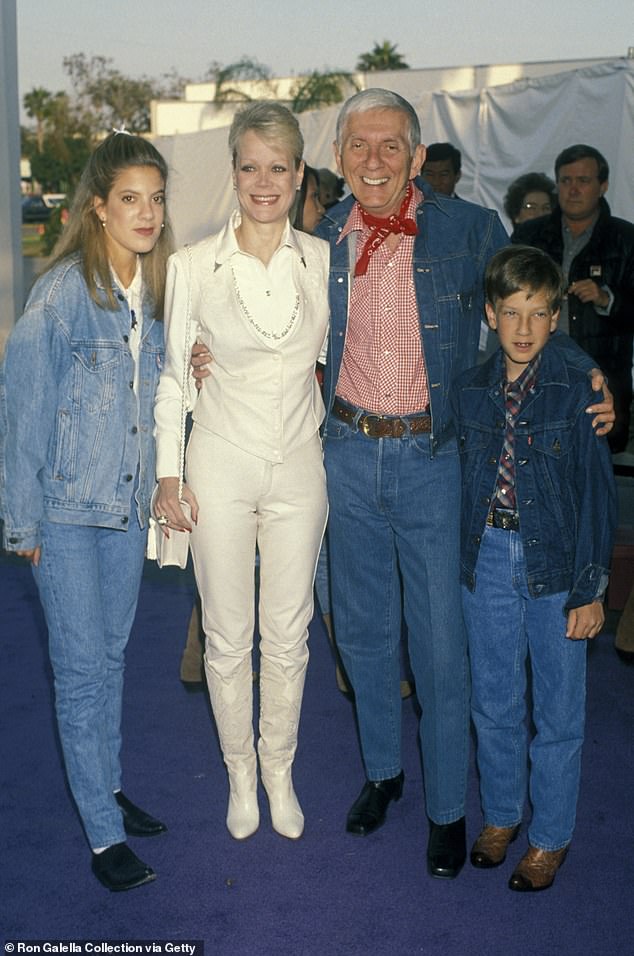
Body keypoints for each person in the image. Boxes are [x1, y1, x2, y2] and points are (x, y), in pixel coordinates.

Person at [311, 88, 614, 881]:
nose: (373, 161)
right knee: (365, 633)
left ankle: (449, 809)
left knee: (443, 645)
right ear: (340, 157)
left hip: (435, 458)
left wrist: (588, 375)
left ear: (417, 158)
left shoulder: (469, 226)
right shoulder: (317, 238)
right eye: (358, 146)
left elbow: (532, 305)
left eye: (391, 147)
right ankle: (384, 772)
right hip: (344, 449)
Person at [153, 103, 329, 842]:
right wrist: (167, 476)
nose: (264, 181)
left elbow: (336, 361)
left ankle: (279, 768)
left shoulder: (322, 260)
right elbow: (170, 379)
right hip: (218, 465)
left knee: (288, 634)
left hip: (299, 468)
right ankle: (239, 775)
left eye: (279, 167)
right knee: (227, 637)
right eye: (250, 165)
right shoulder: (192, 266)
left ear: (297, 177)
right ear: (233, 172)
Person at [1, 131, 172, 892]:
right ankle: (104, 840)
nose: (147, 213)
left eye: (157, 198)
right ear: (98, 207)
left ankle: (105, 786)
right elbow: (22, 410)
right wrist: (23, 523)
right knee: (78, 674)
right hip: (67, 512)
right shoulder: (63, 292)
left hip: (126, 509)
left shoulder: (158, 295)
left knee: (109, 662)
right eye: (130, 198)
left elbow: (158, 401)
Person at [451, 245, 617, 891]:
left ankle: (550, 837)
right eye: (512, 312)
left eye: (539, 313)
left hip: (556, 566)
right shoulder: (469, 391)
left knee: (558, 710)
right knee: (492, 700)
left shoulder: (579, 393)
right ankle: (500, 816)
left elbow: (598, 498)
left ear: (556, 320)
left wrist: (590, 587)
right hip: (487, 557)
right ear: (491, 314)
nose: (524, 328)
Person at [512, 144, 634, 452]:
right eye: (565, 181)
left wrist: (607, 299)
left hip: (599, 378)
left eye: (583, 180)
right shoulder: (529, 236)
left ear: (603, 186)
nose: (574, 189)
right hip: (533, 373)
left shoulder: (626, 239)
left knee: (593, 474)